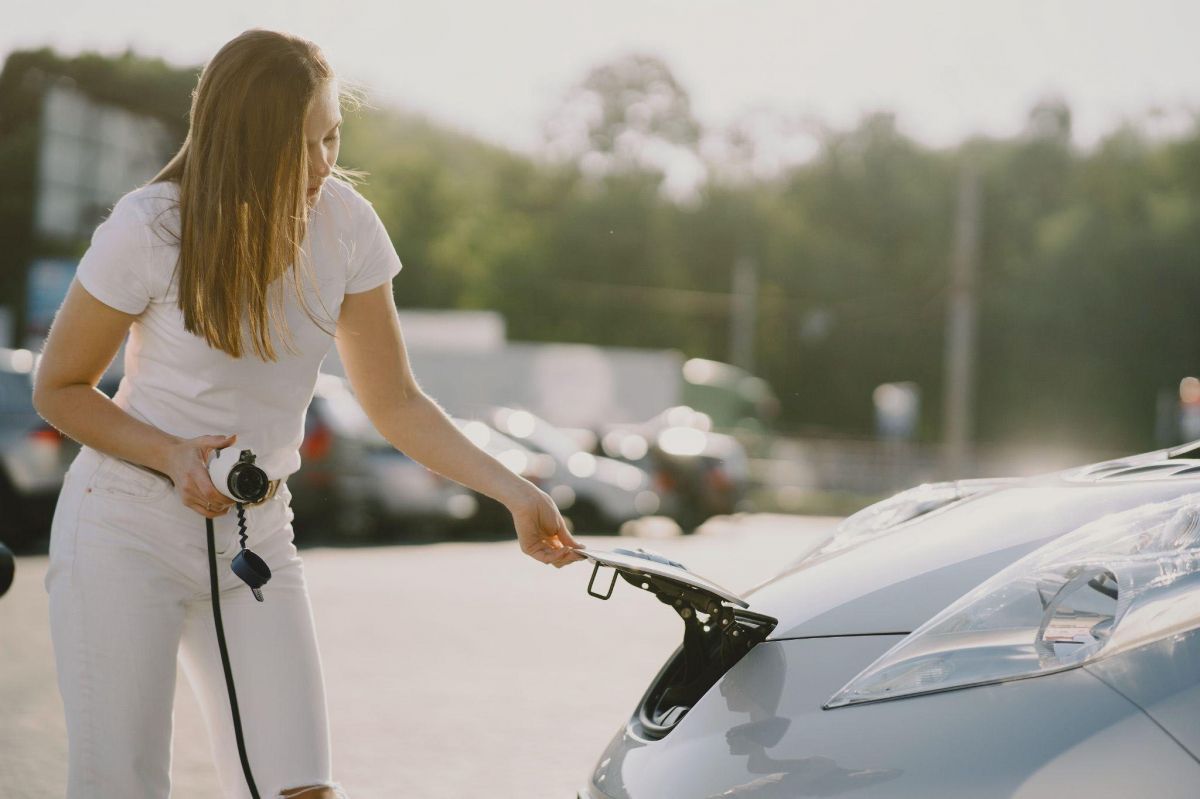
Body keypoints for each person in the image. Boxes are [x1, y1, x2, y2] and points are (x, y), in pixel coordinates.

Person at [31, 28, 586, 799]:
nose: (325, 163)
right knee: (121, 786)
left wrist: (516, 491)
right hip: (123, 530)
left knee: (303, 788)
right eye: (303, 146)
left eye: (333, 136)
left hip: (259, 536)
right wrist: (169, 453)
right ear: (242, 144)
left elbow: (393, 400)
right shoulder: (151, 225)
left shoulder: (349, 227)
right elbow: (58, 388)